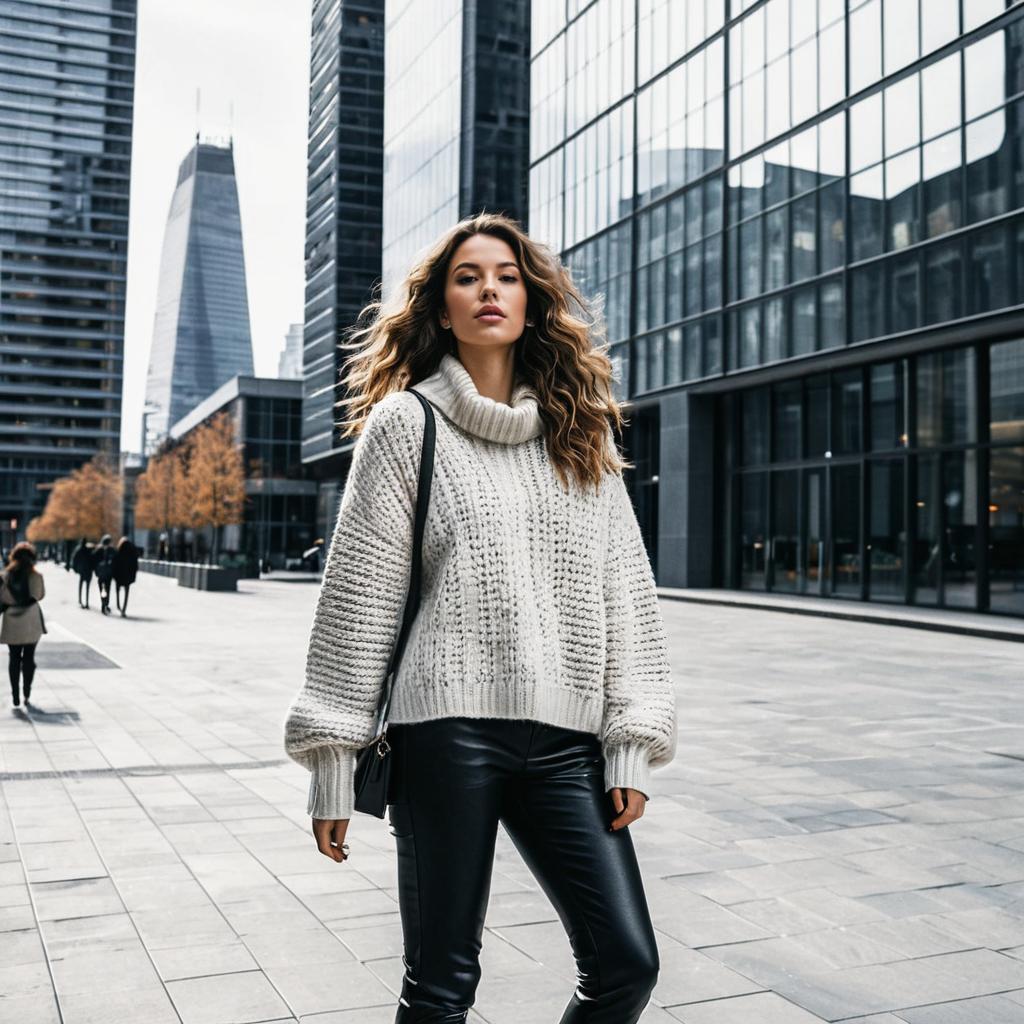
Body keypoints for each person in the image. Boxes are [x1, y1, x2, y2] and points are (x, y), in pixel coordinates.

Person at [283, 213, 678, 1022]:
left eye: (505, 275)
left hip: (566, 744)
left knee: (627, 965)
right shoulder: (406, 425)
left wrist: (632, 739)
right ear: (440, 308)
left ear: (532, 301)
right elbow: (356, 607)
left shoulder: (582, 435)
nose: (488, 288)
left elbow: (628, 598)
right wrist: (332, 762)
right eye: (467, 276)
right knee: (442, 987)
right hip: (445, 737)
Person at [1, 541, 47, 709]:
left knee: (14, 658)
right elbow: (40, 596)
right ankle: (27, 692)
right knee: (29, 658)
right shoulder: (37, 576)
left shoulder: (5, 576)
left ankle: (15, 696)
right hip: (31, 621)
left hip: (12, 620)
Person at [112, 537, 139, 618]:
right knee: (126, 593)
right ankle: (123, 609)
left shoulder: (118, 552)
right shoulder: (132, 553)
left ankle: (118, 605)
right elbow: (135, 566)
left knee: (117, 590)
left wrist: (114, 574)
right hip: (128, 576)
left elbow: (114, 563)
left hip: (119, 575)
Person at [92, 534, 115, 615]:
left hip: (101, 574)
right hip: (108, 574)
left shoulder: (98, 549)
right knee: (107, 589)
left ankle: (103, 603)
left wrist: (96, 571)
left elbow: (93, 560)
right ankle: (106, 604)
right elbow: (115, 561)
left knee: (102, 589)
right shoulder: (112, 550)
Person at [71, 537, 94, 609]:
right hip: (88, 571)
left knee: (81, 585)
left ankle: (80, 600)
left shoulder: (79, 550)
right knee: (87, 587)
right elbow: (92, 559)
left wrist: (75, 569)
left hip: (82, 571)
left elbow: (74, 559)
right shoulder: (88, 550)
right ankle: (86, 602)